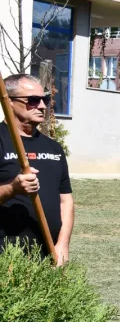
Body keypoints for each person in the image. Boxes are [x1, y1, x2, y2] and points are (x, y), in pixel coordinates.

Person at [0, 74, 73, 264]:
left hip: (49, 256)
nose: (42, 106)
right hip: (6, 257)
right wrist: (12, 189)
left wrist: (63, 244)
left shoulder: (54, 148)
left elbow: (65, 201)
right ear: (9, 102)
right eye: (33, 100)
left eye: (45, 99)